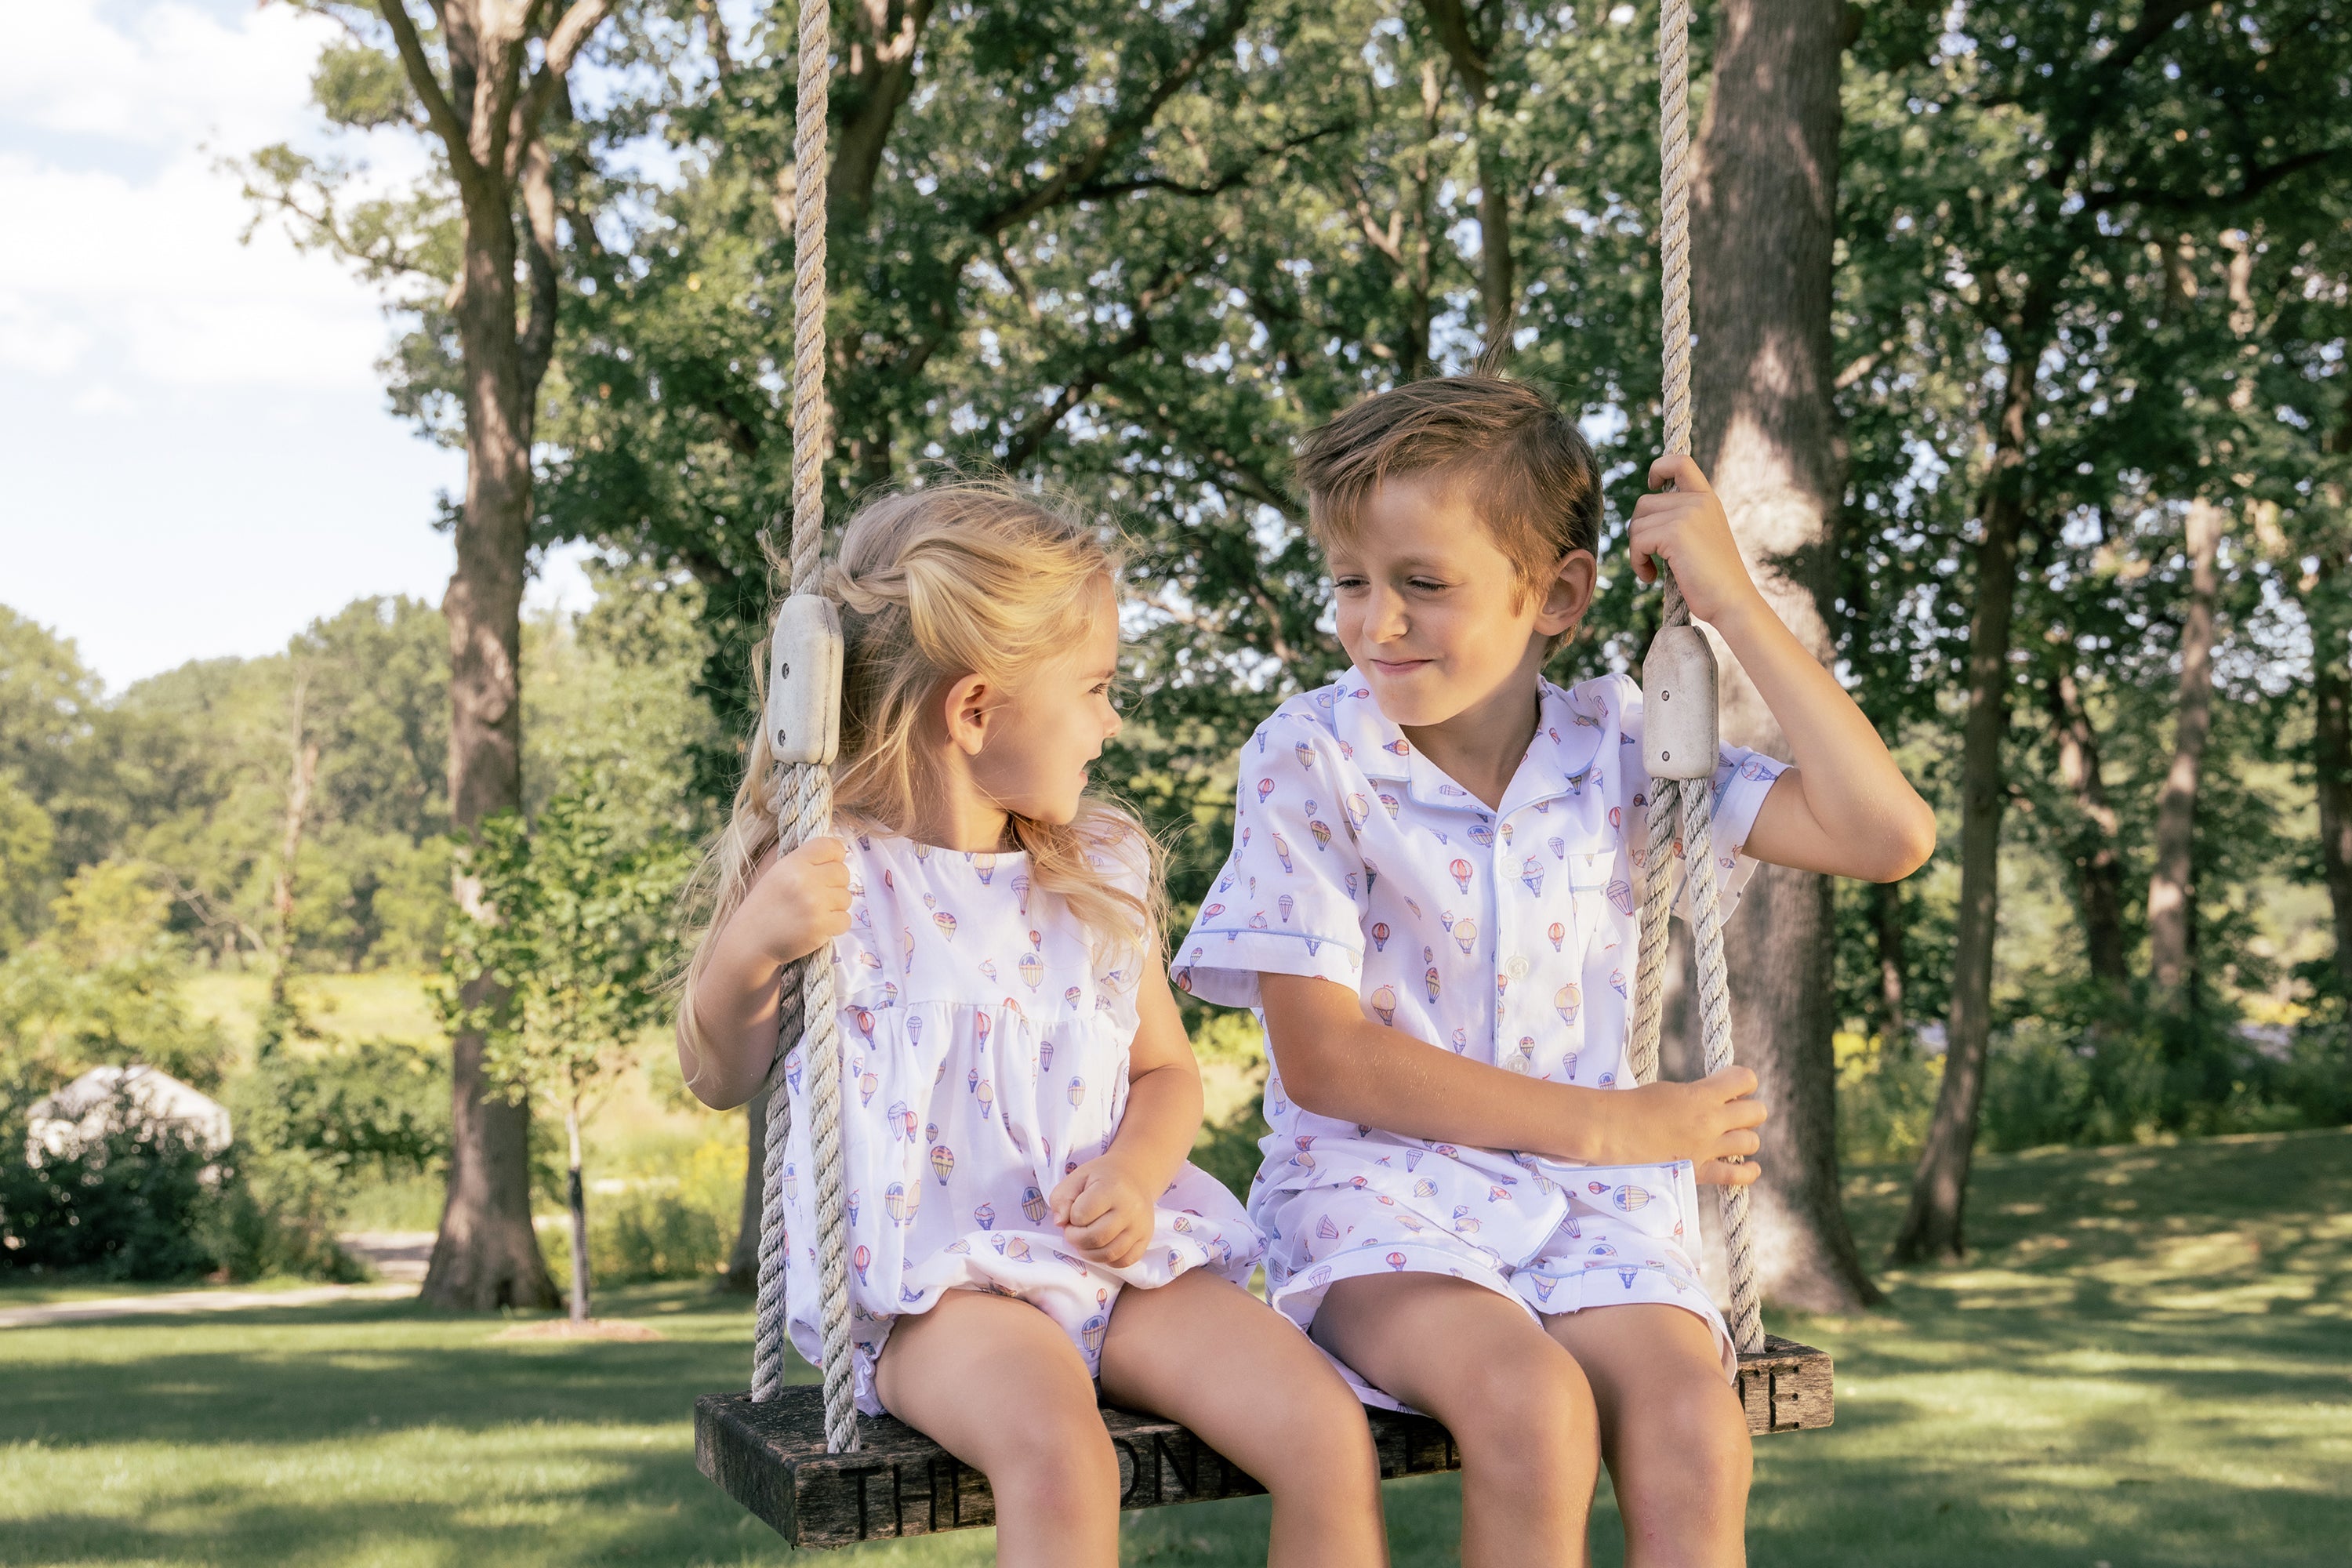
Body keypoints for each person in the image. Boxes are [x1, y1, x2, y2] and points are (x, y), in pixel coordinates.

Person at [1174, 376, 1935, 1567]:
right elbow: (1324, 1059)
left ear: (1559, 596)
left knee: (1696, 1424)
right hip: (1385, 1201)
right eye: (1351, 583)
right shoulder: (1314, 756)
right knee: (1533, 1409)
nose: (1379, 624)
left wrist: (1731, 605)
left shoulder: (1624, 747)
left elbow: (1885, 835)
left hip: (1590, 1219)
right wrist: (1617, 1128)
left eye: (1424, 584)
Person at [679, 482, 1385, 1568]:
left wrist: (1138, 1179)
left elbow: (1167, 1077)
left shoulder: (1093, 869)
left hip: (1119, 1263)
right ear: (975, 712)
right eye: (1096, 689)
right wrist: (751, 949)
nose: (1114, 721)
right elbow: (719, 1072)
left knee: (1325, 1428)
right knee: (1062, 1461)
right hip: (937, 1292)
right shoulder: (834, 875)